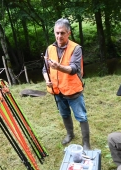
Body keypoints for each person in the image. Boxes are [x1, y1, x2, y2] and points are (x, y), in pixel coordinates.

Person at [42, 18, 90, 150]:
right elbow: (44, 69)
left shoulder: (76, 48)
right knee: (64, 114)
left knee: (81, 116)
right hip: (57, 91)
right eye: (57, 33)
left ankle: (86, 143)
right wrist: (47, 80)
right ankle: (70, 134)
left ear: (68, 33)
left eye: (62, 33)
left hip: (73, 90)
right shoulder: (50, 49)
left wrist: (58, 67)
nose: (59, 36)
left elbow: (74, 69)